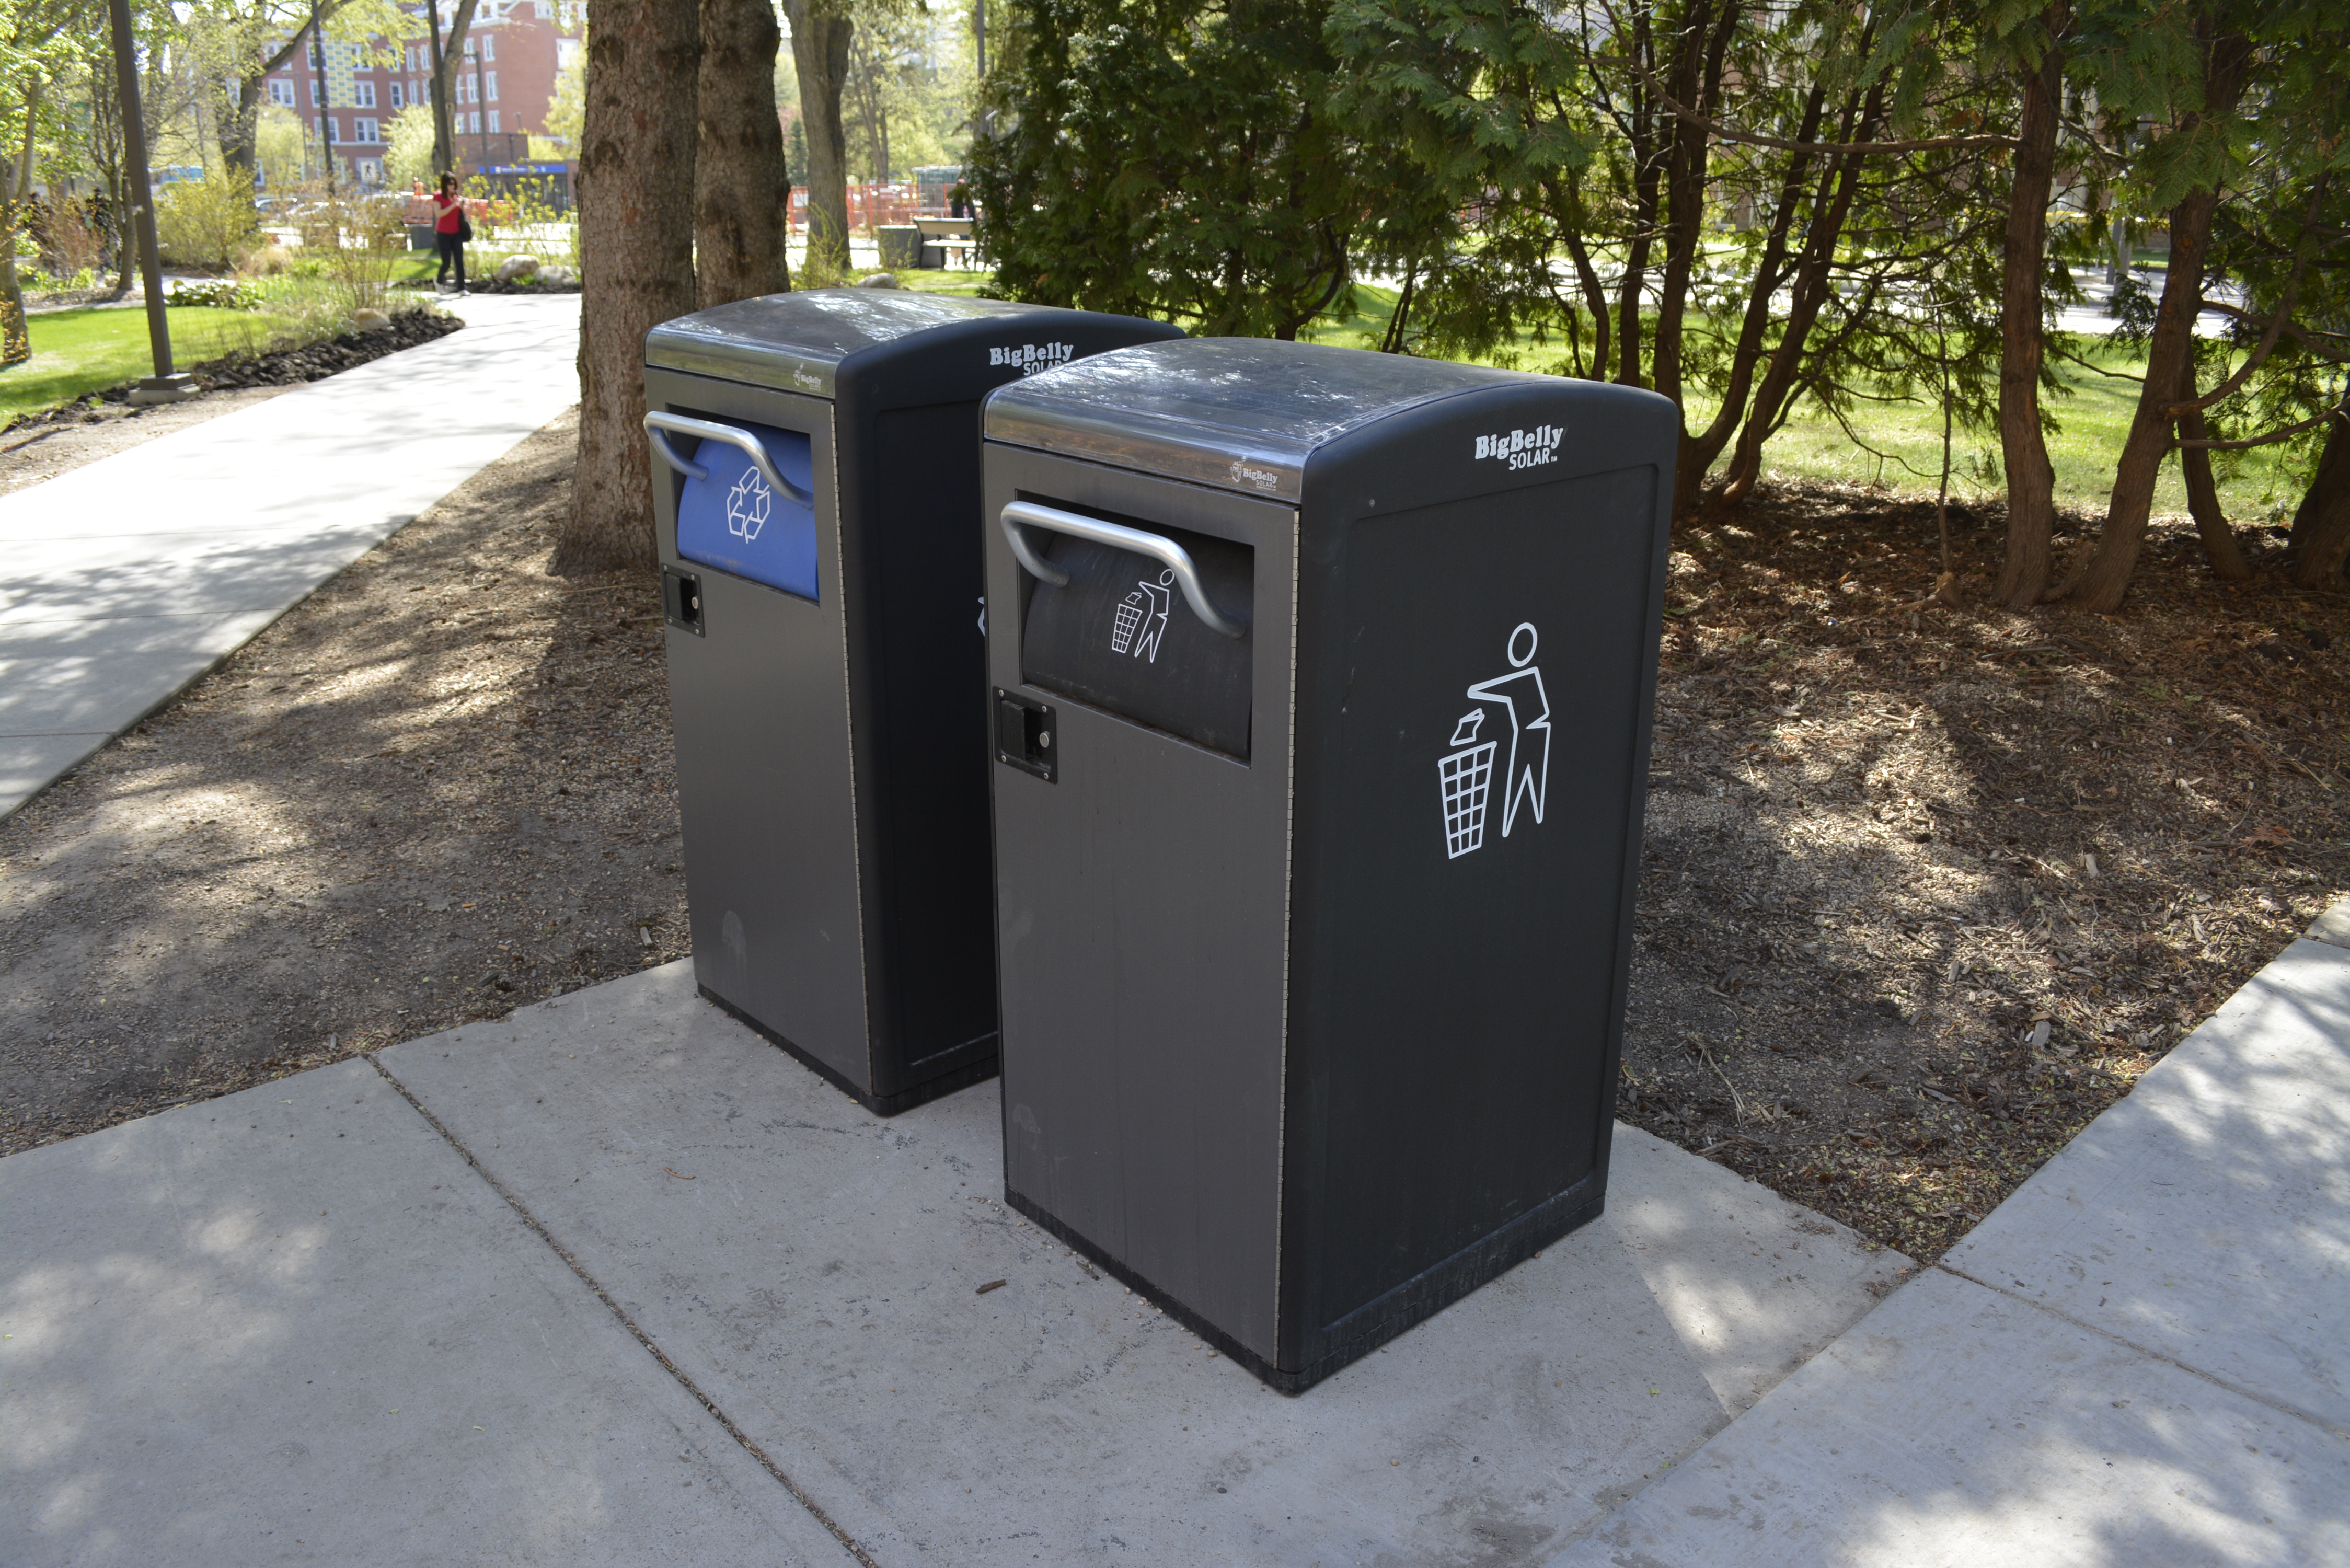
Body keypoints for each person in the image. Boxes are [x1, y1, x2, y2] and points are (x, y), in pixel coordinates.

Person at [430, 173, 467, 296]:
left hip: (456, 233)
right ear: (444, 184)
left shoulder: (456, 196)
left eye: (454, 184)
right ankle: (439, 281)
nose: (452, 187)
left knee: (459, 261)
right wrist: (452, 206)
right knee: (446, 262)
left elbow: (461, 214)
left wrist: (462, 206)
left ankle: (462, 288)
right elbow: (439, 214)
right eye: (450, 184)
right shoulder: (438, 197)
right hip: (443, 233)